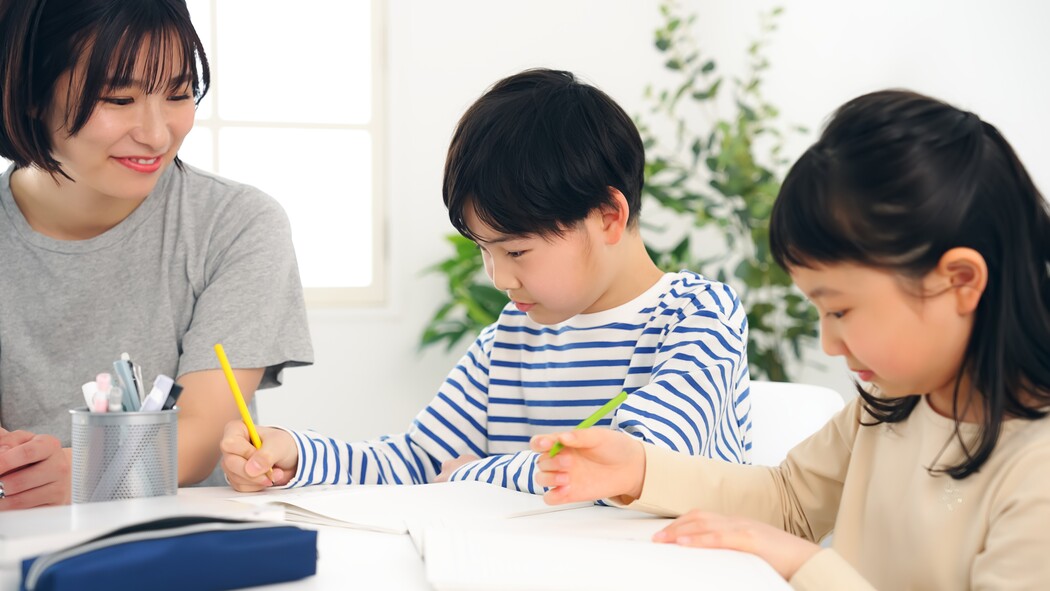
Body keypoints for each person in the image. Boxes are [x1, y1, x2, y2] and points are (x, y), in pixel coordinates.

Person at [530, 89, 1050, 589]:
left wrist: (805, 565)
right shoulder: (891, 403)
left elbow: (794, 536)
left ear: (959, 281)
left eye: (840, 310)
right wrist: (639, 470)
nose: (829, 343)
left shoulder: (1036, 471)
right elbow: (789, 500)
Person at [220, 68, 751, 494]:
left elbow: (622, 465)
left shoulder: (699, 317)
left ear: (608, 216)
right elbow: (419, 462)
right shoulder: (510, 339)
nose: (498, 278)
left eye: (516, 251)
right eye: (484, 250)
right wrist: (298, 455)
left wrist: (474, 474)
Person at [0, 0, 313, 510]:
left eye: (179, 94)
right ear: (32, 93)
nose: (157, 134)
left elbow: (202, 436)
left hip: (182, 535)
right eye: (119, 98)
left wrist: (80, 473)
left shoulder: (237, 223)